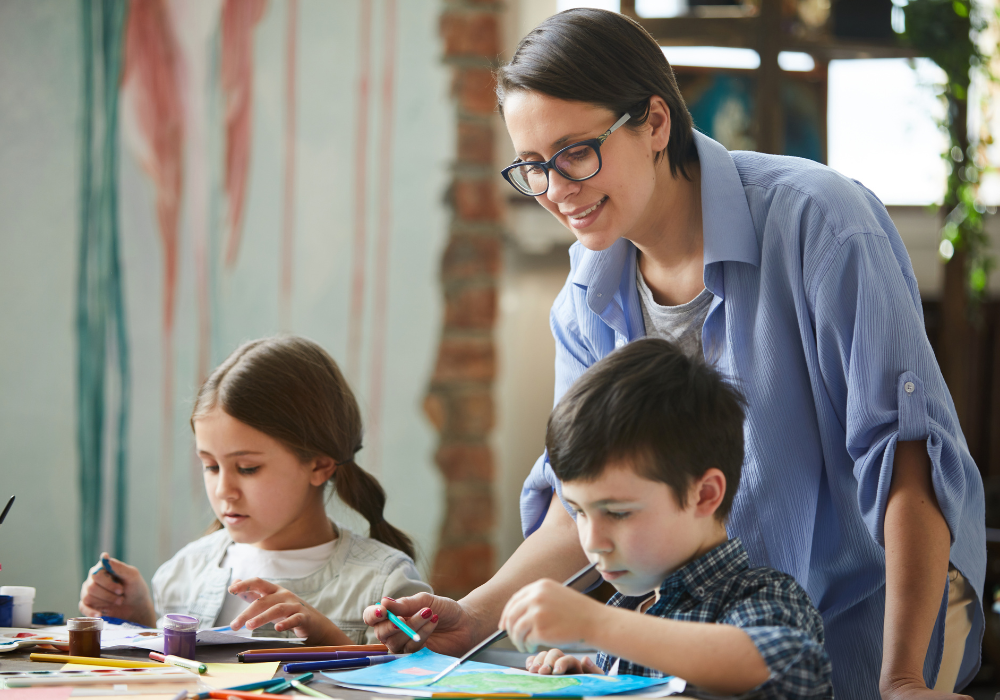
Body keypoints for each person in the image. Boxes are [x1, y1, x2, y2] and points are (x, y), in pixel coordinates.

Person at [365, 8, 985, 699]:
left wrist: (902, 677)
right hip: (701, 647)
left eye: (575, 152)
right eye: (533, 167)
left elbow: (906, 460)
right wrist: (475, 615)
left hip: (878, 621)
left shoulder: (821, 224)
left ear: (656, 123)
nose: (557, 189)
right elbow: (585, 504)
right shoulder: (585, 297)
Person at [500, 338, 832, 699]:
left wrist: (594, 623)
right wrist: (596, 685)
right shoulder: (629, 608)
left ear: (704, 495)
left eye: (618, 512)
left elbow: (790, 666)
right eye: (579, 511)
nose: (592, 542)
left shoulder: (760, 596)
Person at [79, 336, 432, 644]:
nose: (224, 490)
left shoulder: (384, 585)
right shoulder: (180, 576)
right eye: (210, 466)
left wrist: (326, 638)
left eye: (247, 468)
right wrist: (138, 622)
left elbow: (413, 685)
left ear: (320, 465)